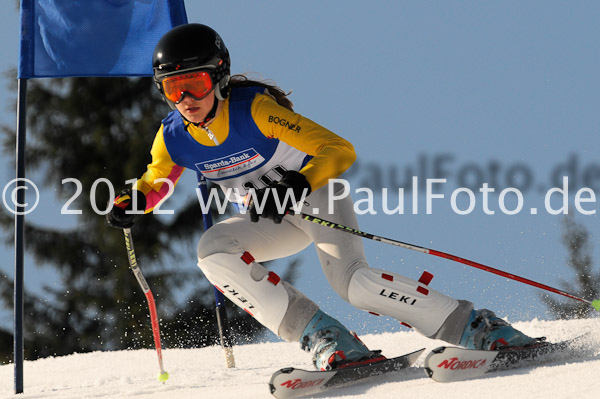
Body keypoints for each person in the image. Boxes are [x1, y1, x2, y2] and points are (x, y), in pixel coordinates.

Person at [107, 23, 538, 371]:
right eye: (172, 88)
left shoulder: (253, 111)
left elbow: (339, 149)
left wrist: (297, 183)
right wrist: (133, 200)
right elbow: (157, 178)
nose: (185, 100)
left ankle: (476, 327)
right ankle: (327, 338)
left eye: (195, 84)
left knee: (353, 284)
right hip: (272, 221)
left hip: (315, 199)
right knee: (212, 249)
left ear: (218, 76)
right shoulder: (174, 137)